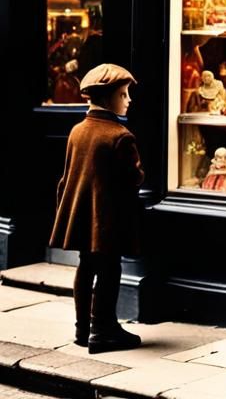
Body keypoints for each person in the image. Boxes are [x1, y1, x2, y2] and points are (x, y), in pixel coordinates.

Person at [48, 63, 145, 353]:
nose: (128, 100)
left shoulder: (77, 131)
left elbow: (67, 177)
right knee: (110, 269)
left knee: (86, 265)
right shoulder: (120, 136)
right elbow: (134, 177)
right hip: (106, 219)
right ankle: (103, 329)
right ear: (107, 98)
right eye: (123, 94)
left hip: (80, 213)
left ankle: (83, 328)